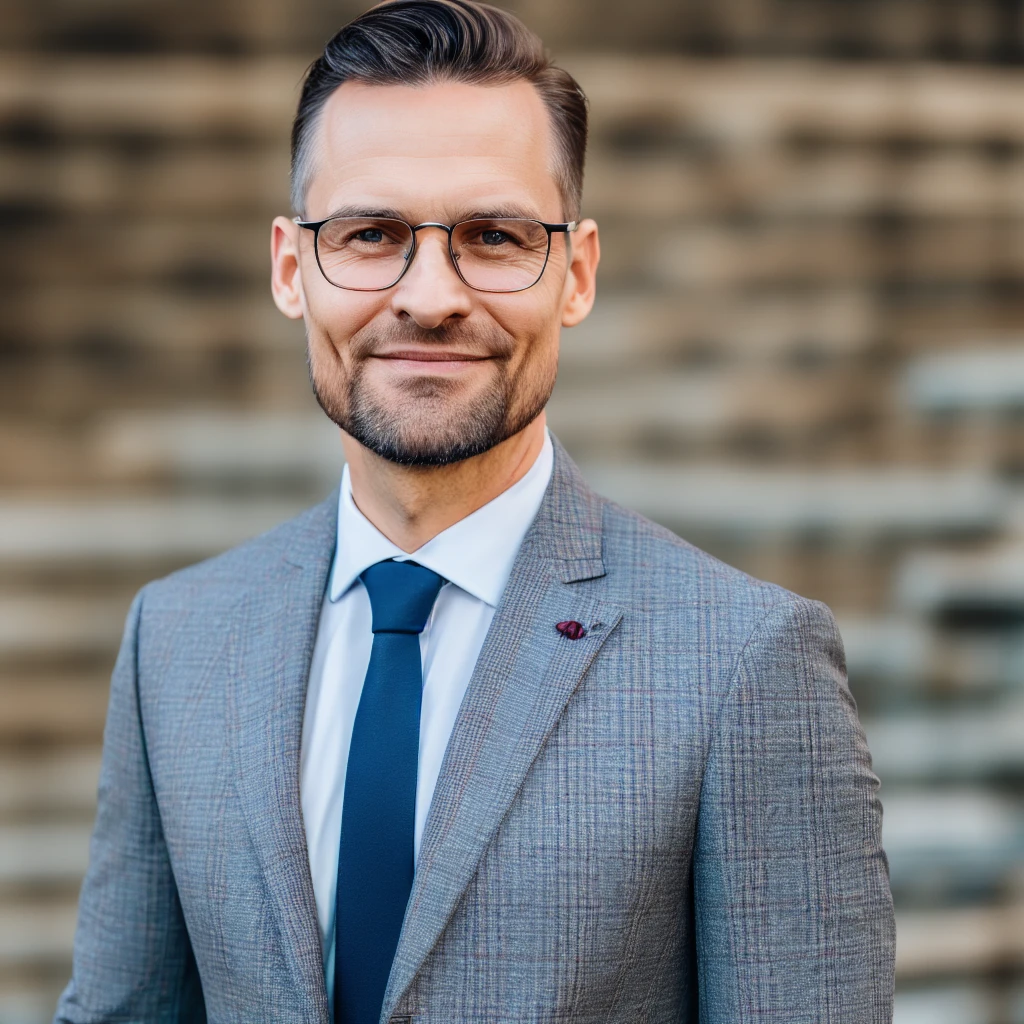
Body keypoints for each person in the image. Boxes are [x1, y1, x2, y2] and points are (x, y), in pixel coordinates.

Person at [55, 1, 896, 1021]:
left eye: (492, 237)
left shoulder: (745, 660)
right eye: (370, 234)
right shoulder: (176, 641)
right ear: (290, 268)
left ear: (575, 273)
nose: (429, 295)